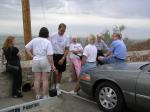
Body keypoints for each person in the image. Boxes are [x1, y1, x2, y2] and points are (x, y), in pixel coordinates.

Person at [25, 27, 55, 99]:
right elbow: (50, 55)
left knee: (37, 79)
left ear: (40, 33)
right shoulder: (48, 42)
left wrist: (32, 56)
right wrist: (52, 65)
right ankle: (45, 95)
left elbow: (26, 48)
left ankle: (37, 95)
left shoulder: (34, 40)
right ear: (47, 34)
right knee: (45, 80)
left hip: (36, 60)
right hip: (45, 60)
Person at [48, 23, 69, 95]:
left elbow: (67, 49)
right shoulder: (53, 36)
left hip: (62, 56)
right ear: (58, 29)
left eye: (64, 31)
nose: (62, 32)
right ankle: (54, 86)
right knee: (55, 72)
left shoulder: (66, 37)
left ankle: (58, 86)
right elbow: (49, 47)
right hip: (54, 56)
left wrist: (63, 58)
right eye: (61, 30)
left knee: (60, 72)